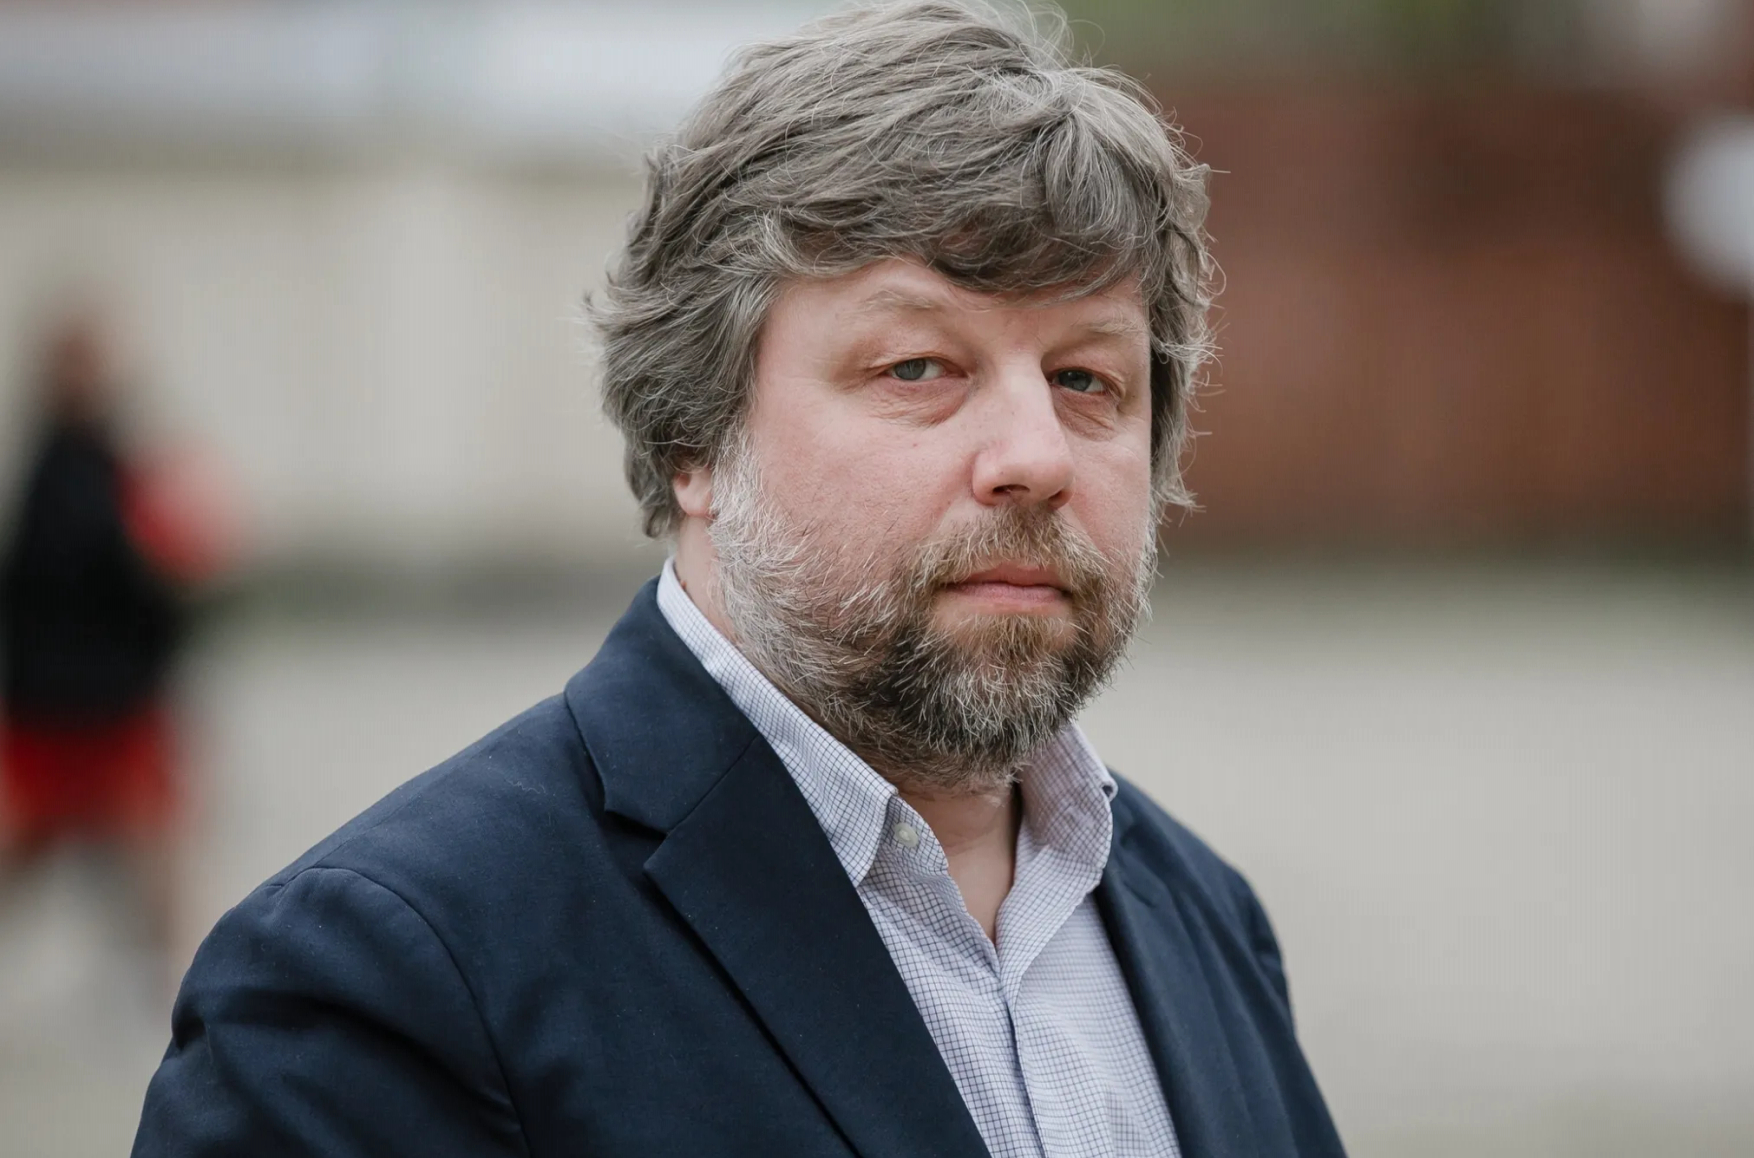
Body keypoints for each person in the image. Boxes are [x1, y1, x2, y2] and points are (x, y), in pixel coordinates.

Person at [134, 3, 1345, 1155]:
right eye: (918, 366)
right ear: (695, 439)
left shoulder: (1204, 920)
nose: (1034, 456)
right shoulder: (389, 980)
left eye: (1086, 380)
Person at [0, 314, 194, 987]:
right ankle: (164, 978)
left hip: (112, 698)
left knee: (151, 851)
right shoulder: (62, 469)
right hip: (56, 702)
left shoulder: (111, 466)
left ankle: (166, 981)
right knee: (39, 843)